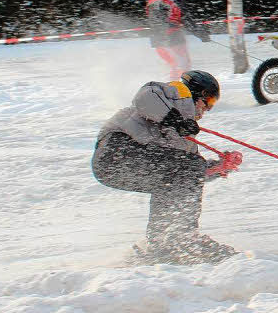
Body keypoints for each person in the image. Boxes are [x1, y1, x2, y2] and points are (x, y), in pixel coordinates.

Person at [91, 70, 241, 264]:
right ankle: (183, 238)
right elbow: (145, 97)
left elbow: (190, 175)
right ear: (199, 93)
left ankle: (162, 242)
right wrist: (175, 119)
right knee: (187, 167)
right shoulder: (178, 95)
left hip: (111, 168)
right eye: (209, 101)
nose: (208, 110)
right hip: (119, 150)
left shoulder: (183, 136)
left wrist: (220, 167)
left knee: (173, 180)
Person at [146, 0, 211, 78]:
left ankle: (171, 88)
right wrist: (203, 34)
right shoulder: (173, 1)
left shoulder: (153, 0)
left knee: (172, 66)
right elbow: (188, 22)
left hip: (158, 42)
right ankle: (179, 90)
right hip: (174, 39)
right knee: (183, 66)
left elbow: (155, 21)